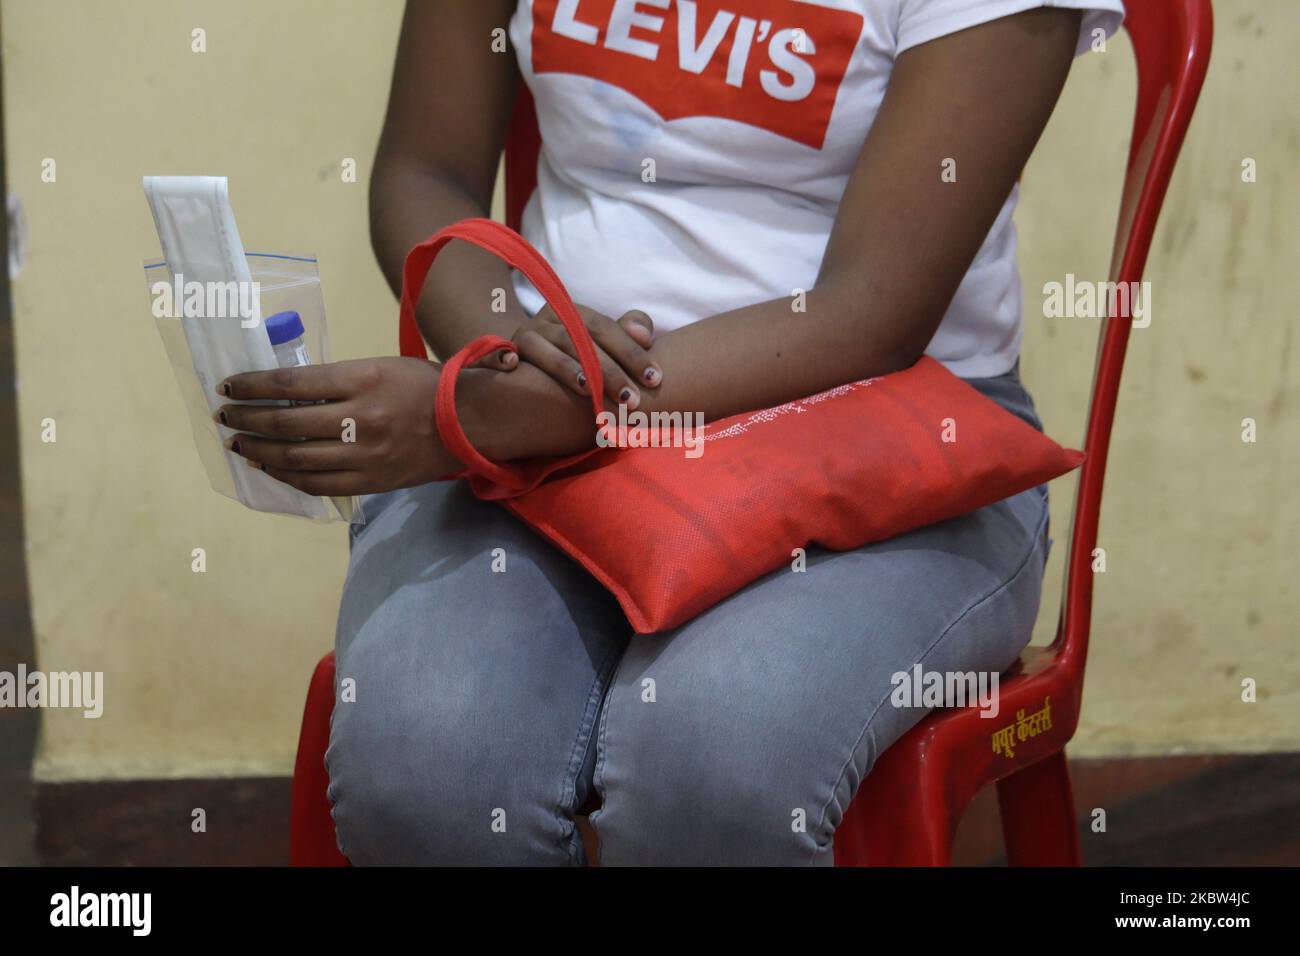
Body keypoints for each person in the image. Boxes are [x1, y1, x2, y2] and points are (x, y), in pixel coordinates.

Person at [214, 0, 1124, 865]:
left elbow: (873, 314)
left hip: (892, 439)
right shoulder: (520, 392)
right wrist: (501, 349)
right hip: (550, 423)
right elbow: (427, 169)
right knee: (427, 764)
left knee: (716, 761)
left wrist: (484, 414)